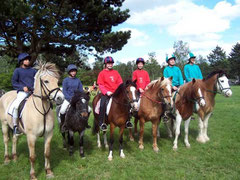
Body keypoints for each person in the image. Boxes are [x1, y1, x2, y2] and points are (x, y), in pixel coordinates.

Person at [12, 53, 37, 135]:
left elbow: (36, 81)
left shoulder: (33, 71)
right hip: (22, 92)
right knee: (16, 106)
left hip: (33, 92)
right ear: (21, 61)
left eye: (28, 60)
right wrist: (22, 87)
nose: (28, 61)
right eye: (26, 60)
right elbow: (14, 83)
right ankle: (16, 126)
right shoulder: (17, 71)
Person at [59, 64, 90, 131]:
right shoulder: (65, 80)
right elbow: (64, 91)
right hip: (68, 99)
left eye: (74, 71)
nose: (73, 73)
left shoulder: (78, 80)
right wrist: (69, 98)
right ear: (69, 72)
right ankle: (63, 124)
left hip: (77, 100)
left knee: (89, 109)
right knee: (62, 110)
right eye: (72, 71)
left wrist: (81, 98)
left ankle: (85, 123)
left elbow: (81, 90)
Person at [97, 56, 123, 131]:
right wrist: (107, 92)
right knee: (102, 105)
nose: (110, 65)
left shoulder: (116, 72)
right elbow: (101, 85)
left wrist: (119, 91)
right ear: (105, 64)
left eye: (111, 63)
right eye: (108, 63)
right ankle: (101, 122)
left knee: (125, 103)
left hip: (116, 93)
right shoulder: (102, 73)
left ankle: (127, 121)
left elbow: (120, 83)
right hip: (107, 93)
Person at [163, 54, 184, 122]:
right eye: (171, 60)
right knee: (168, 98)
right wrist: (172, 86)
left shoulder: (177, 69)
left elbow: (181, 78)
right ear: (168, 61)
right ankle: (166, 113)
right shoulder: (166, 69)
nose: (172, 61)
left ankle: (187, 111)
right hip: (170, 87)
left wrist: (181, 86)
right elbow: (166, 80)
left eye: (173, 59)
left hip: (179, 87)